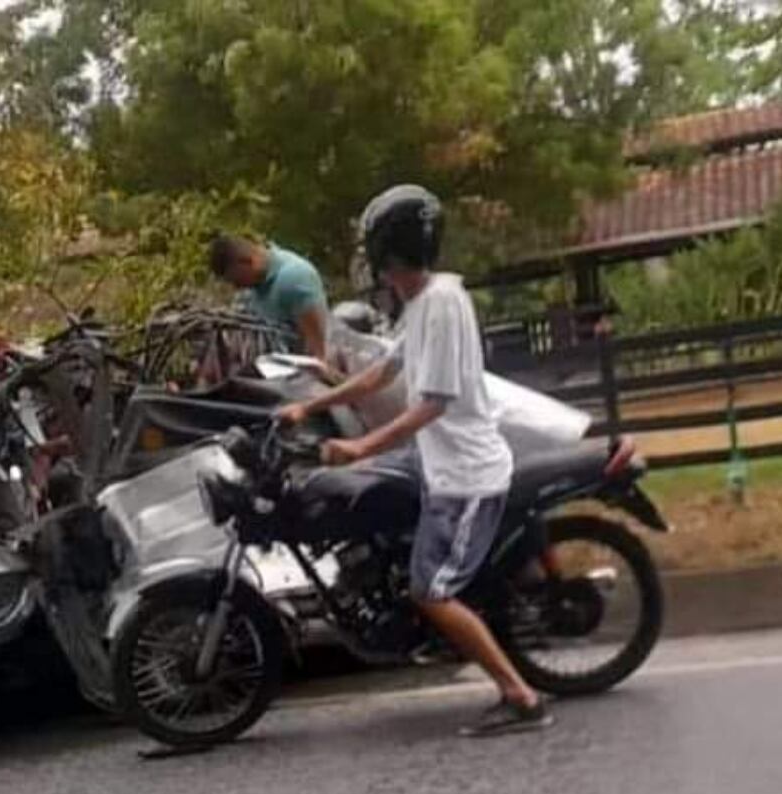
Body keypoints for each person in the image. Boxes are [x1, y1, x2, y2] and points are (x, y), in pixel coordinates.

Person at [277, 185, 551, 737]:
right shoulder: (421, 304)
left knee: (430, 591)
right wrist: (313, 402)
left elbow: (432, 404)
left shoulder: (444, 305)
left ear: (390, 250)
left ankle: (520, 697)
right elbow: (383, 372)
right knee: (359, 489)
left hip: (465, 476)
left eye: (372, 247)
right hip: (433, 461)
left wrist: (361, 446)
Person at [209, 234, 330, 362]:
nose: (237, 288)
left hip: (298, 371)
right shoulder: (253, 287)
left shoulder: (293, 279)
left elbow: (318, 351)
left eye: (238, 281)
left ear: (249, 262)